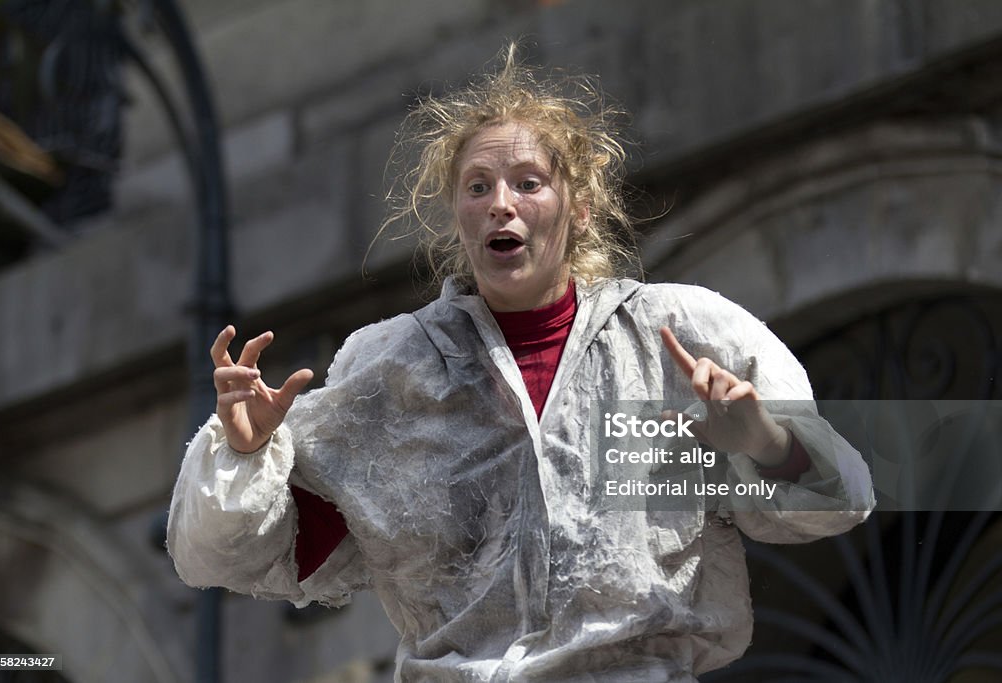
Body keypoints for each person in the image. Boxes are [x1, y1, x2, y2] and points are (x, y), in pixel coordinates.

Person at [167, 45, 874, 682]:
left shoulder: (678, 336)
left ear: (582, 208)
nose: (501, 203)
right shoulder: (391, 371)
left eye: (528, 182)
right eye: (478, 187)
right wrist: (244, 450)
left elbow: (843, 499)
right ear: (456, 215)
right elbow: (223, 557)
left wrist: (766, 442)